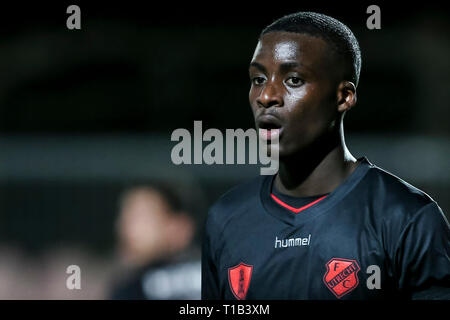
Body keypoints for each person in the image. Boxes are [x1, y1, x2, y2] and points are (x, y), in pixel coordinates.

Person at [201, 12, 450, 300]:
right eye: (258, 79)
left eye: (293, 80)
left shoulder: (406, 217)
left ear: (343, 97)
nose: (266, 95)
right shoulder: (226, 219)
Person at [109, 183, 201, 299]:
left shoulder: (134, 288)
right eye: (125, 216)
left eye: (140, 217)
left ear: (180, 227)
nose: (124, 228)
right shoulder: (219, 277)